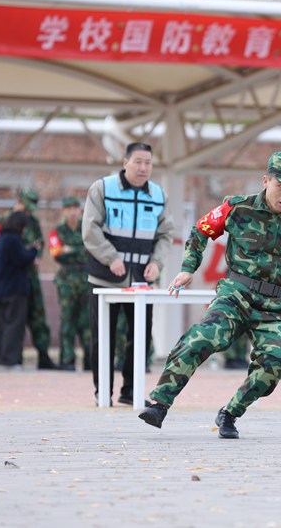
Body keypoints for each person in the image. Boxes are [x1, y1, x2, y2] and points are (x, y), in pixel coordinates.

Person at [139, 151, 281, 439]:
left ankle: (230, 412)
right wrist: (189, 268)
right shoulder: (237, 208)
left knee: (275, 363)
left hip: (276, 304)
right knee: (205, 338)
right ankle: (160, 404)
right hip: (236, 292)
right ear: (266, 181)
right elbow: (201, 230)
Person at [83, 142, 173, 406]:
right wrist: (110, 257)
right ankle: (103, 393)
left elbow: (166, 234)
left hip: (140, 281)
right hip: (105, 279)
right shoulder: (103, 188)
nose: (143, 167)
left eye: (148, 163)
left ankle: (131, 392)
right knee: (103, 337)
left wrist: (157, 263)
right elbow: (90, 228)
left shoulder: (158, 194)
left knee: (140, 336)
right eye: (138, 162)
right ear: (125, 162)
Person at [3, 188, 58, 369]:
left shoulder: (33, 222)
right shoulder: (4, 220)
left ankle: (43, 356)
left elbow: (39, 244)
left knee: (38, 317)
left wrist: (36, 255)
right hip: (11, 277)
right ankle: (11, 358)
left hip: (30, 276)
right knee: (11, 320)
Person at [0, 212, 39, 370]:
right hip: (14, 289)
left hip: (0, 289)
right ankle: (9, 361)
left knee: (4, 325)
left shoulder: (1, 238)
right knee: (14, 326)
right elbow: (21, 259)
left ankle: (3, 359)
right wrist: (33, 251)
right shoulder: (13, 239)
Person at [50, 196, 90, 371]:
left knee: (88, 322)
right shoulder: (57, 231)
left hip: (86, 279)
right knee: (67, 321)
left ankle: (91, 360)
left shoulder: (88, 229)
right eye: (69, 208)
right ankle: (67, 360)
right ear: (63, 211)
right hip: (66, 281)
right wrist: (80, 250)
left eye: (76, 208)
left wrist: (70, 249)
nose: (73, 212)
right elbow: (57, 253)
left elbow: (92, 251)